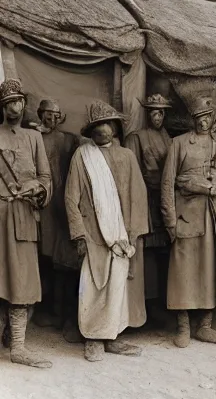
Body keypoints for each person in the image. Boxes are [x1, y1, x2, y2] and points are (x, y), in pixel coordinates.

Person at [65, 100, 148, 361]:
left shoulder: (127, 156)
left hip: (122, 234)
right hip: (93, 234)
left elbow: (138, 195)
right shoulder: (83, 156)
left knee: (117, 288)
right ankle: (92, 338)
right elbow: (71, 197)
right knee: (93, 287)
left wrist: (133, 233)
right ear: (91, 131)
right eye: (98, 125)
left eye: (108, 124)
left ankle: (112, 336)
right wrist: (79, 234)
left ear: (115, 127)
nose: (104, 129)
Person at [161, 97, 216, 348]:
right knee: (183, 271)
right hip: (188, 215)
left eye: (207, 117)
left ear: (213, 118)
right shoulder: (179, 143)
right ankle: (183, 326)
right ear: (192, 119)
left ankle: (205, 325)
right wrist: (170, 220)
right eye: (198, 118)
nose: (203, 122)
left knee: (213, 269)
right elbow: (166, 183)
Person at [0, 79, 53, 368]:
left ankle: (18, 347)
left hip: (23, 217)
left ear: (24, 105)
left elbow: (46, 178)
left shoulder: (34, 138)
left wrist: (37, 189)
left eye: (18, 102)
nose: (14, 107)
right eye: (8, 103)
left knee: (21, 283)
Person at [34, 99, 80, 341]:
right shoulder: (34, 137)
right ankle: (46, 308)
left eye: (56, 115)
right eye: (47, 114)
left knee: (64, 259)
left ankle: (63, 313)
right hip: (43, 203)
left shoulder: (70, 139)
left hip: (65, 201)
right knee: (44, 256)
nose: (51, 118)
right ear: (40, 115)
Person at [124, 94, 172, 315]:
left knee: (165, 250)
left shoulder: (169, 138)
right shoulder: (137, 137)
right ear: (147, 114)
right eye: (154, 111)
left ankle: (163, 300)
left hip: (165, 197)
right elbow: (132, 173)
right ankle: (147, 303)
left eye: (161, 112)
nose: (158, 116)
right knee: (147, 251)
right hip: (146, 198)